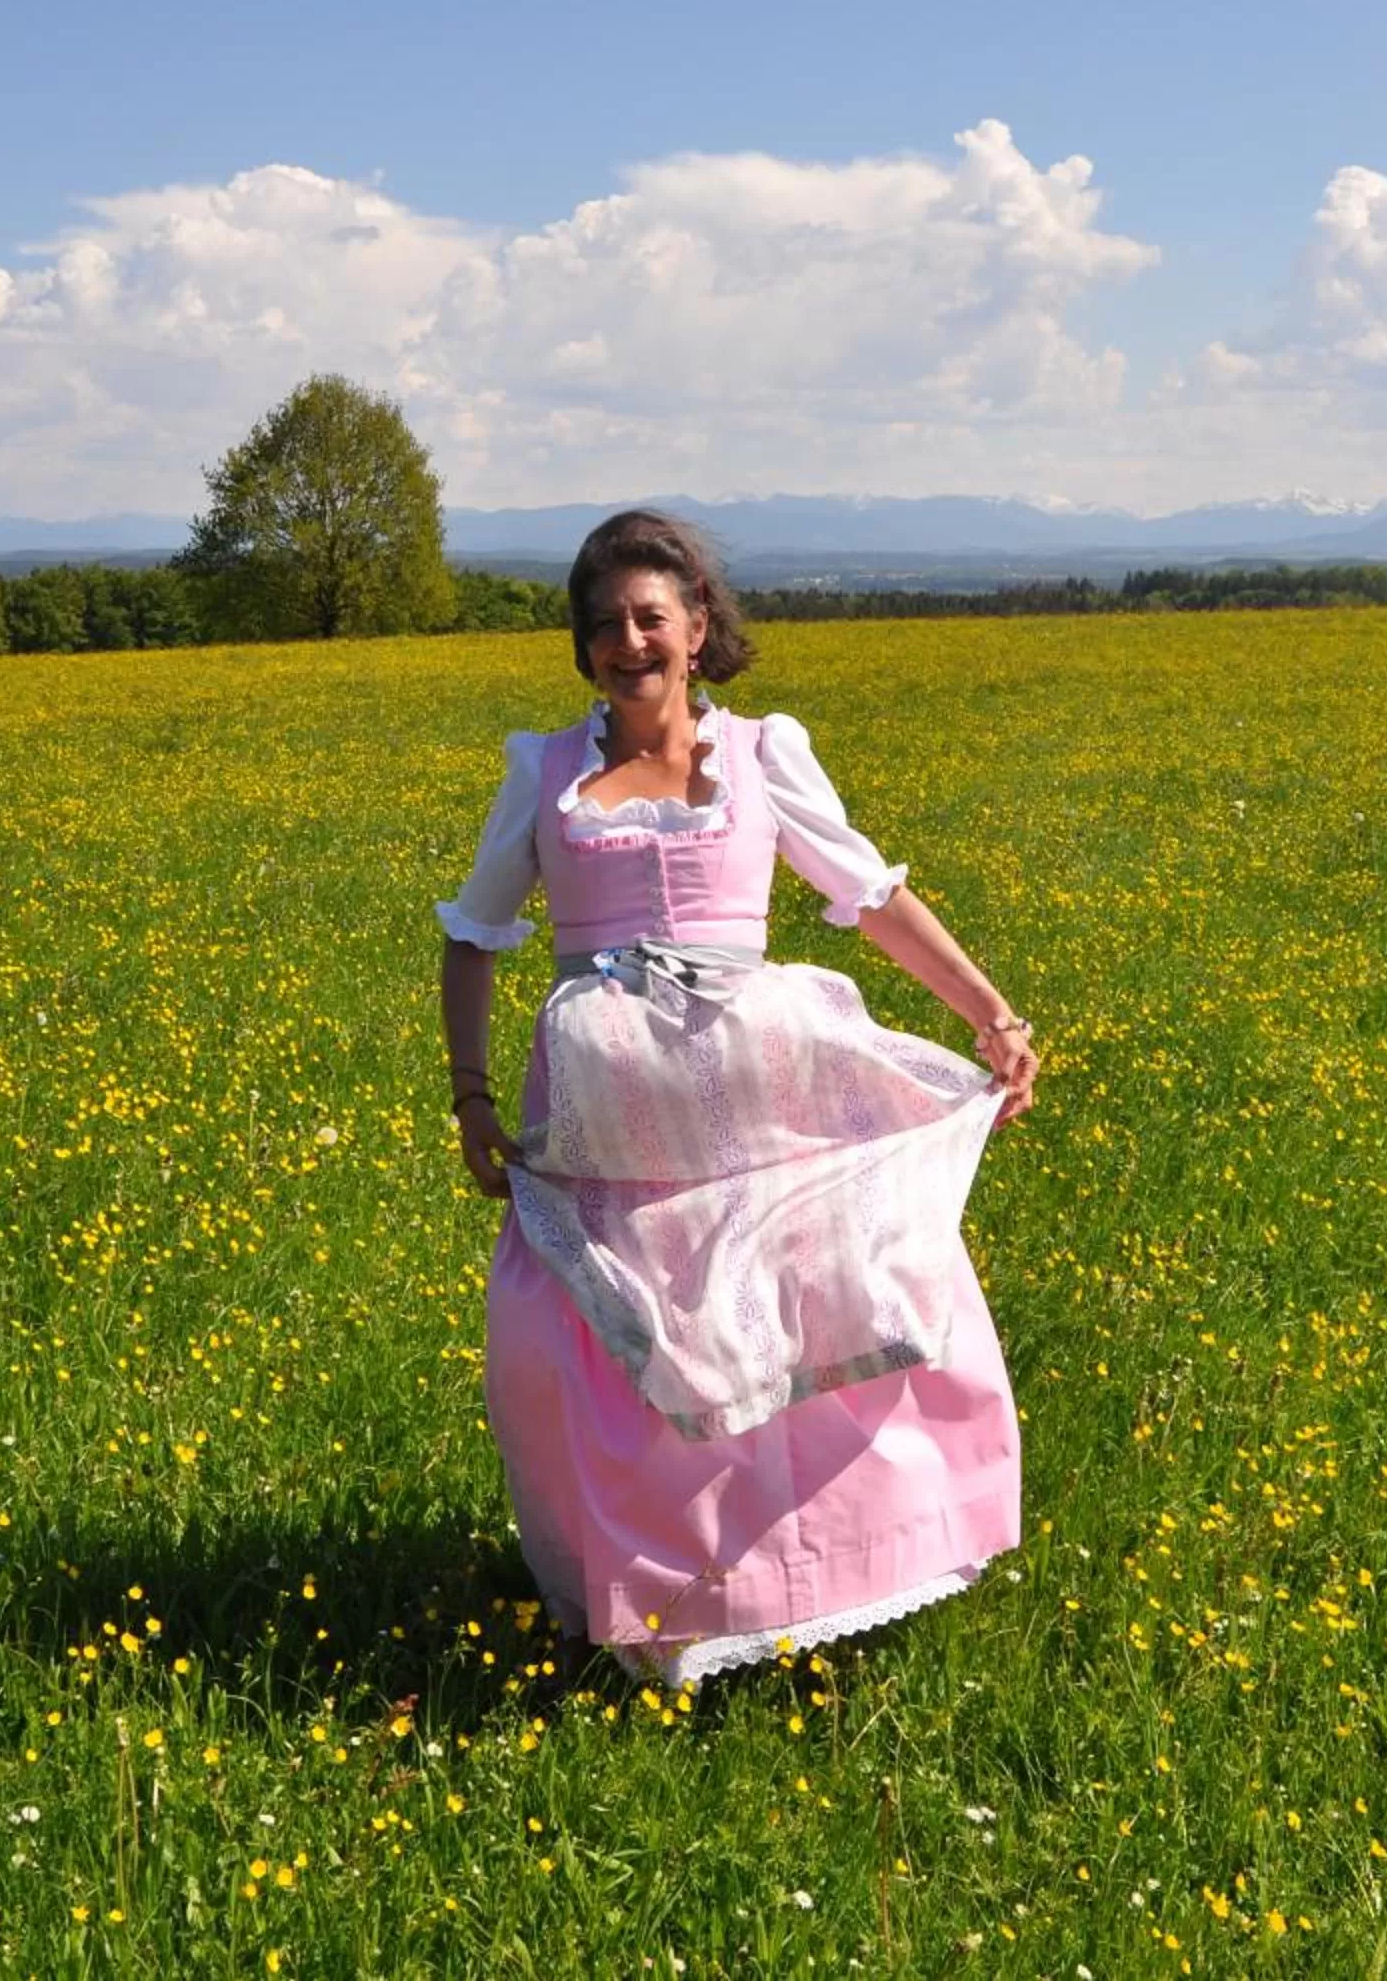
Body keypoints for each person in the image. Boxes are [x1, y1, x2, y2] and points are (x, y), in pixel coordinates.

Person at [436, 509, 1040, 1685]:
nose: (629, 641)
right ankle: (670, 1601)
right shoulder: (545, 773)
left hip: (760, 1091)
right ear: (581, 644)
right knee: (614, 1351)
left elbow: (869, 895)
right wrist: (470, 1097)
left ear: (697, 626)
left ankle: (828, 1567)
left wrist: (991, 1013)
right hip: (611, 1126)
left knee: (798, 1312)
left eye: (650, 617)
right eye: (604, 623)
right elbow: (474, 935)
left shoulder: (763, 755)